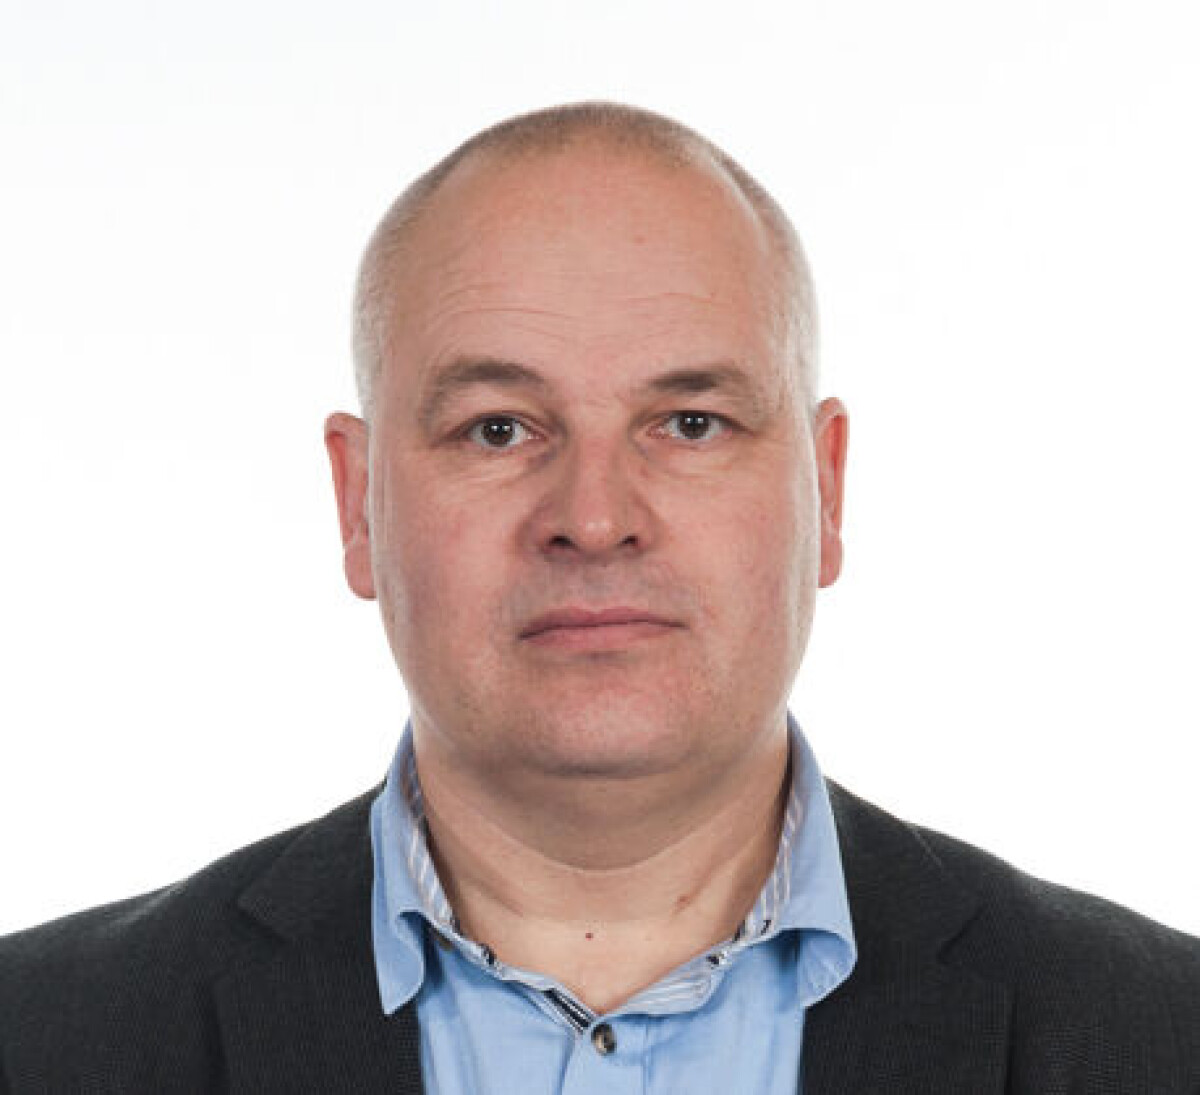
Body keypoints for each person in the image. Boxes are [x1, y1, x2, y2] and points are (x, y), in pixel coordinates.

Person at [1, 101, 1197, 1095]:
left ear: (825, 489)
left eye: (691, 423)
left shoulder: (1160, 1038)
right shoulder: (40, 1041)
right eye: (499, 428)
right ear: (358, 505)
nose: (593, 515)